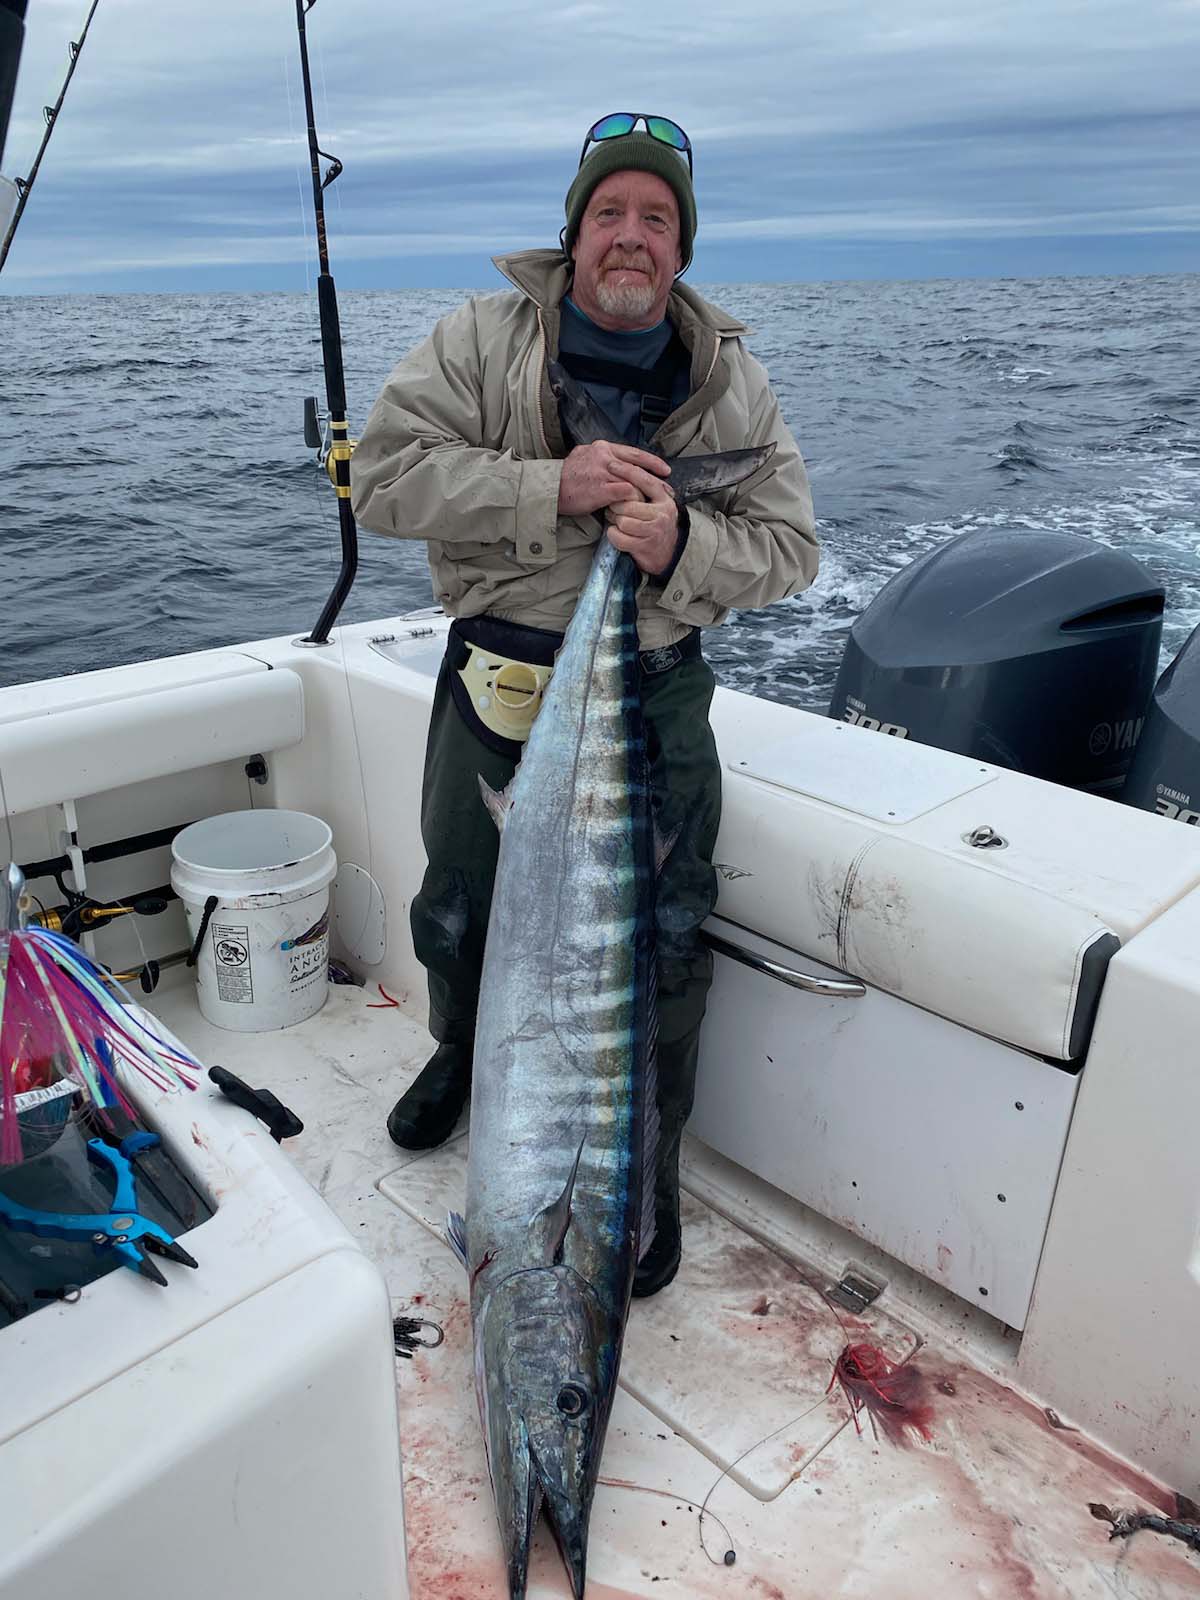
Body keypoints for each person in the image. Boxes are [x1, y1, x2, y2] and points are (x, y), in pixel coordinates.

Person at [350, 113, 819, 1296]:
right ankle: (464, 1060)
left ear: (683, 248)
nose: (631, 236)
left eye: (657, 219)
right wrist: (547, 484)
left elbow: (791, 550)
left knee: (662, 940)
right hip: (498, 677)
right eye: (610, 211)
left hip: (651, 695)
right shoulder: (477, 339)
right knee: (457, 907)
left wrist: (681, 543)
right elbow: (385, 483)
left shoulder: (730, 384)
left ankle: (642, 1159)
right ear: (574, 230)